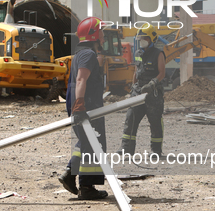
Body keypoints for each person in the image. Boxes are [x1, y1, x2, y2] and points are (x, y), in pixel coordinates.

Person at [58, 17, 108, 200]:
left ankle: (72, 176)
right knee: (93, 143)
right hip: (86, 106)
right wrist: (80, 104)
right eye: (101, 32)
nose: (103, 36)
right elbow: (80, 79)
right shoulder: (88, 54)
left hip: (84, 105)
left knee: (88, 142)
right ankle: (85, 186)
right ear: (94, 34)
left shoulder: (82, 53)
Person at [119, 24, 166, 156]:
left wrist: (152, 84)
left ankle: (156, 151)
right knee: (130, 118)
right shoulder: (138, 53)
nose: (142, 40)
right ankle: (126, 149)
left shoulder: (158, 54)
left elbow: (162, 73)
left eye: (145, 38)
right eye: (141, 38)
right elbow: (136, 71)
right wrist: (133, 87)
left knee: (155, 121)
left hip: (153, 93)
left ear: (152, 38)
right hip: (138, 91)